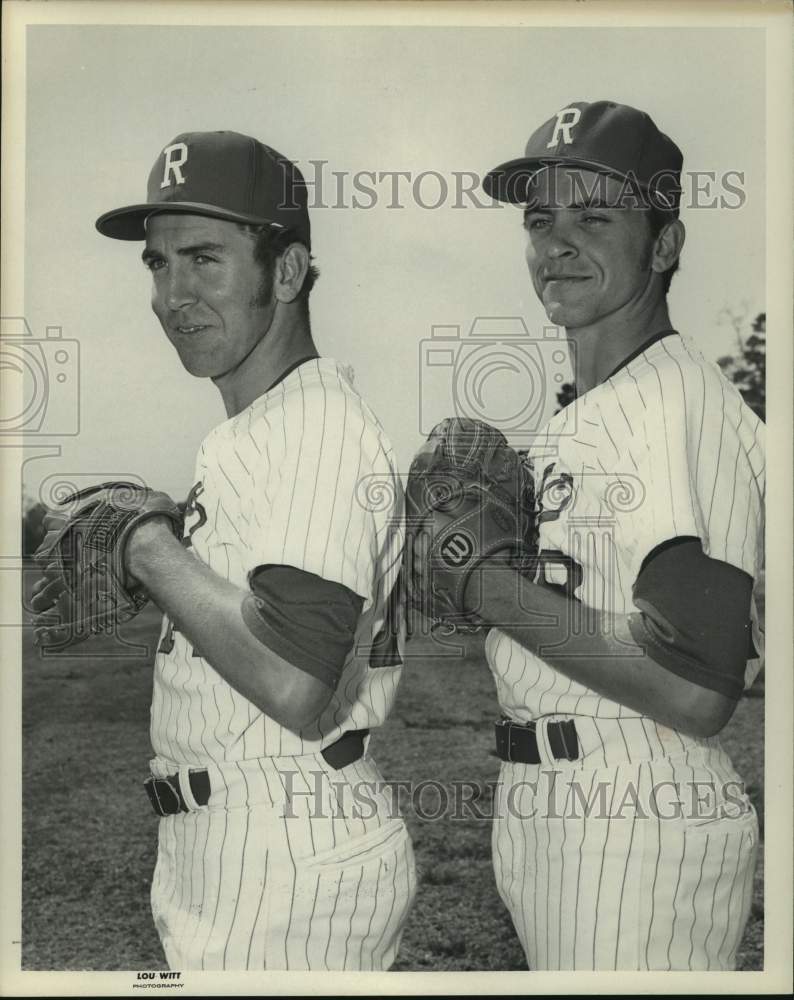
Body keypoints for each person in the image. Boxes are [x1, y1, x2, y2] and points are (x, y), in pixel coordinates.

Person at [90, 131, 416, 970]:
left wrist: (150, 551)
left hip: (285, 861)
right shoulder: (254, 428)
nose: (174, 295)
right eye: (158, 264)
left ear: (288, 271)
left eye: (204, 258)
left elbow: (294, 681)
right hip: (240, 845)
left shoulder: (315, 427)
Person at [466, 101, 764, 970]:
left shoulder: (672, 404)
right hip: (561, 803)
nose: (557, 244)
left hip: (635, 813)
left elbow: (695, 686)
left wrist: (483, 582)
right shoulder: (591, 412)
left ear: (665, 245)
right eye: (540, 220)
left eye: (595, 218)